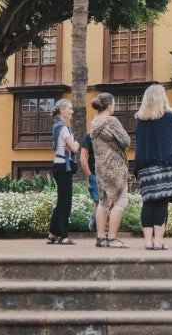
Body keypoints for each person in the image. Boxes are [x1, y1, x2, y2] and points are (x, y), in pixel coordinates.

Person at [134, 84, 172, 250]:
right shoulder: (170, 116)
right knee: (162, 202)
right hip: (165, 162)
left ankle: (148, 242)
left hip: (144, 165)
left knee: (148, 202)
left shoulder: (140, 119)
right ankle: (158, 242)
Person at [90, 92, 131, 249]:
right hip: (114, 166)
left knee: (104, 202)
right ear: (108, 105)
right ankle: (112, 239)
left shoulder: (94, 123)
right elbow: (126, 141)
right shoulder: (111, 121)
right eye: (113, 103)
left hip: (100, 166)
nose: (114, 106)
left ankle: (100, 238)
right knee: (120, 201)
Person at [47, 98, 80, 245]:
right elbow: (73, 148)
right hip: (63, 166)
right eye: (70, 108)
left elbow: (70, 146)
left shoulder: (57, 126)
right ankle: (62, 235)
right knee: (65, 202)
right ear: (62, 110)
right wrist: (77, 144)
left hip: (58, 165)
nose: (72, 111)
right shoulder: (64, 128)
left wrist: (73, 145)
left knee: (61, 200)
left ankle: (53, 233)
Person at [80, 133, 99, 233]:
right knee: (99, 202)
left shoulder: (110, 135)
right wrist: (89, 175)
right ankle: (100, 228)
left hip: (109, 174)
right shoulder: (89, 136)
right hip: (95, 174)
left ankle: (95, 218)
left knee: (112, 202)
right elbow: (83, 157)